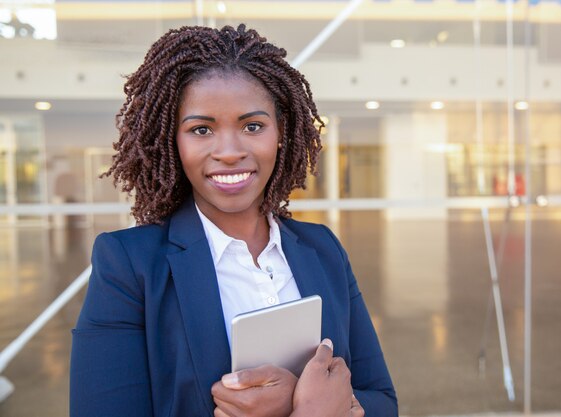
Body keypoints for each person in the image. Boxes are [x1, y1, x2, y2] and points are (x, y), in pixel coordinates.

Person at [70, 24, 397, 417]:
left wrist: (324, 402)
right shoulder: (129, 264)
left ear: (281, 133)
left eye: (253, 126)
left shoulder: (323, 248)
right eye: (201, 129)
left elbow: (383, 400)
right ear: (174, 141)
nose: (229, 151)